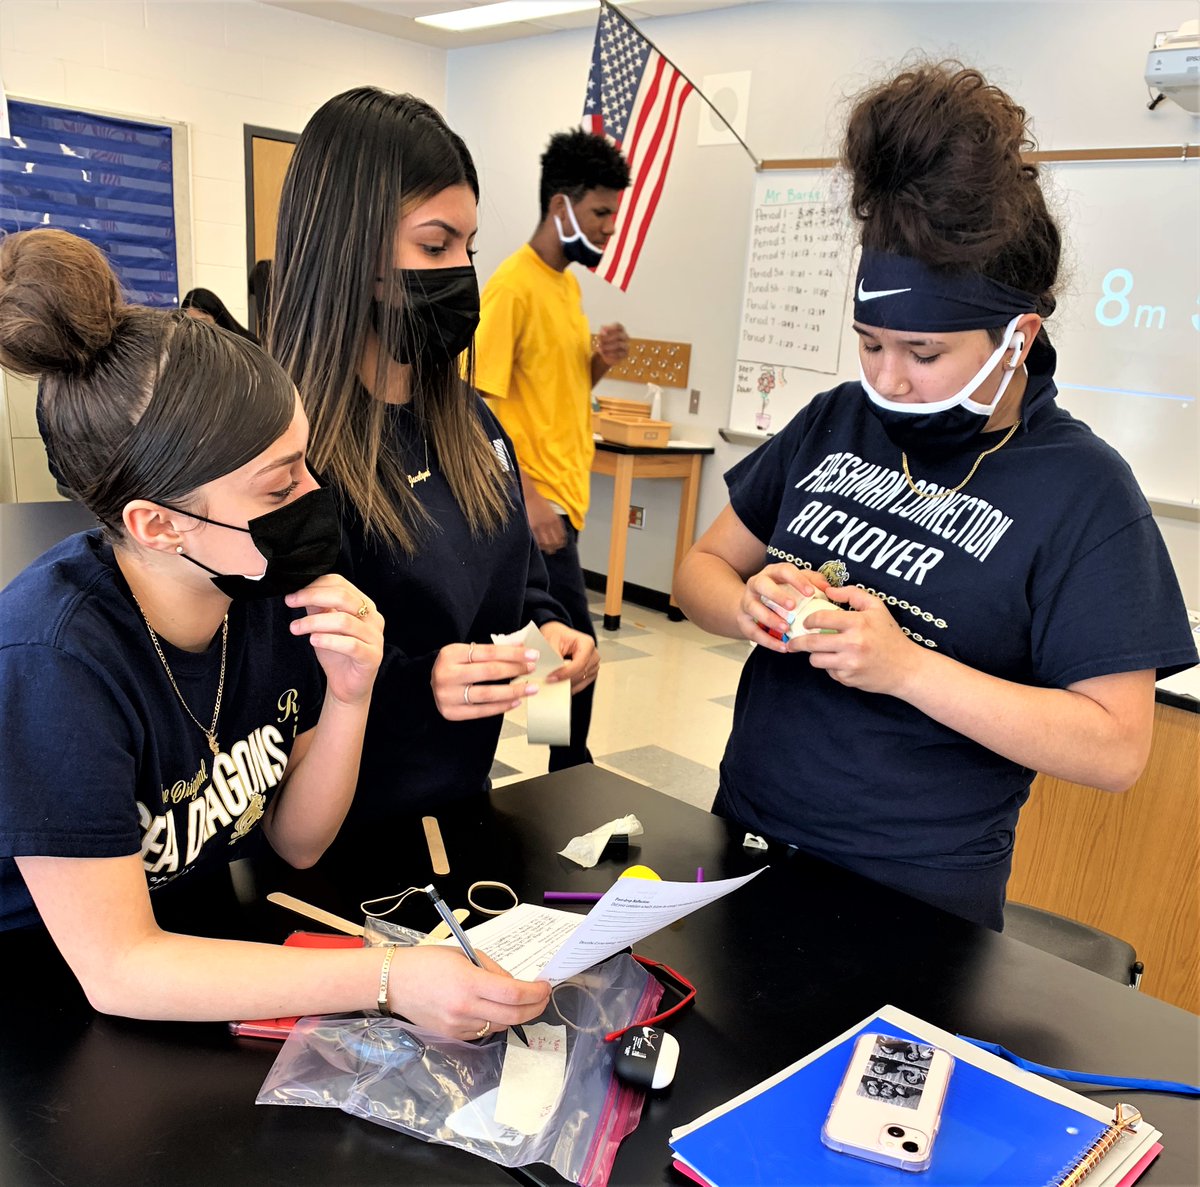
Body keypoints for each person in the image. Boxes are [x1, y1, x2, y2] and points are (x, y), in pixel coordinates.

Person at [674, 62, 1198, 932]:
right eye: (870, 344)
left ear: (1017, 337)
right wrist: (746, 605)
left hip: (916, 898)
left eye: (923, 354)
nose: (889, 380)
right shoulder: (835, 420)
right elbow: (702, 567)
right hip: (748, 836)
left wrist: (908, 668)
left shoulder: (1085, 492)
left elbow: (1116, 746)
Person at [0, 228, 549, 1038]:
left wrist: (352, 696)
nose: (314, 493)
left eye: (303, 460)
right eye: (280, 480)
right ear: (157, 524)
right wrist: (390, 976)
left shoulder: (262, 591)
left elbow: (296, 841)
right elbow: (117, 966)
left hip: (195, 947)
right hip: (48, 991)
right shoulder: (55, 661)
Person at [267, 88, 599, 839]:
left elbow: (523, 595)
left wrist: (552, 642)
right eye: (434, 245)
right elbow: (274, 684)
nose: (460, 273)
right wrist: (419, 689)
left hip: (459, 810)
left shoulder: (474, 428)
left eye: (469, 248)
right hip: (334, 834)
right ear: (348, 247)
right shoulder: (284, 459)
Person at [474, 129, 632, 770]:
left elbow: (555, 390)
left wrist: (598, 362)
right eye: (600, 214)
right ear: (560, 206)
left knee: (554, 647)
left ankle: (558, 770)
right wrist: (528, 499)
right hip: (533, 502)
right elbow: (476, 405)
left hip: (564, 497)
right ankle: (566, 771)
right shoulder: (512, 288)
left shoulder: (565, 286)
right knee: (571, 649)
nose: (608, 229)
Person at [181, 286, 257, 341]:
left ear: (217, 319)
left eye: (202, 322)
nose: (196, 328)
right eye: (190, 323)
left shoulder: (245, 345)